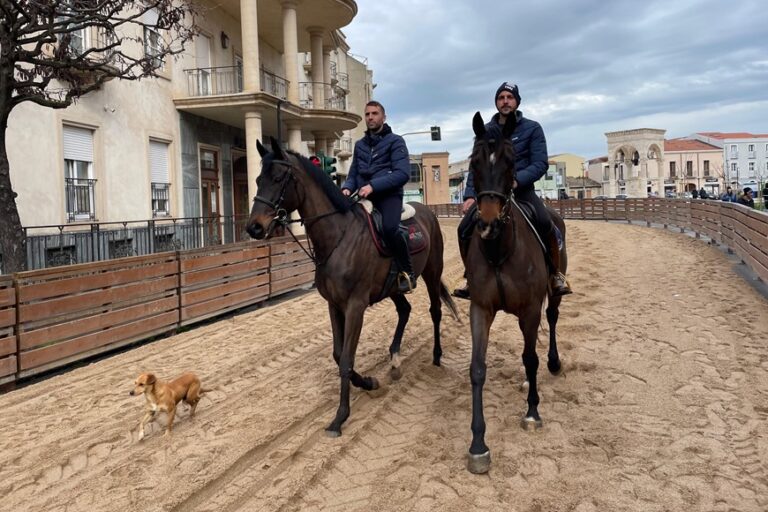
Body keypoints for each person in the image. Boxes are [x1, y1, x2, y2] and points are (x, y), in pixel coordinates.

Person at [452, 82, 572, 299]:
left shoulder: (532, 128)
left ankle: (555, 275)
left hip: (522, 191)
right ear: (496, 102)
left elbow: (540, 163)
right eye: (501, 97)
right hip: (491, 195)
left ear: (517, 101)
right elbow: (476, 166)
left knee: (546, 223)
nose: (505, 101)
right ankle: (470, 277)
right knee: (463, 229)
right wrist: (470, 195)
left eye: (509, 97)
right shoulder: (486, 131)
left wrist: (517, 181)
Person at [341, 101, 416, 293]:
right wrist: (348, 188)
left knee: (390, 229)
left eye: (374, 114)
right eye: (367, 114)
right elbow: (353, 173)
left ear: (384, 117)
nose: (370, 118)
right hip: (363, 196)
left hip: (388, 196)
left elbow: (402, 174)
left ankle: (407, 272)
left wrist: (373, 186)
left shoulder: (396, 141)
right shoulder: (360, 145)